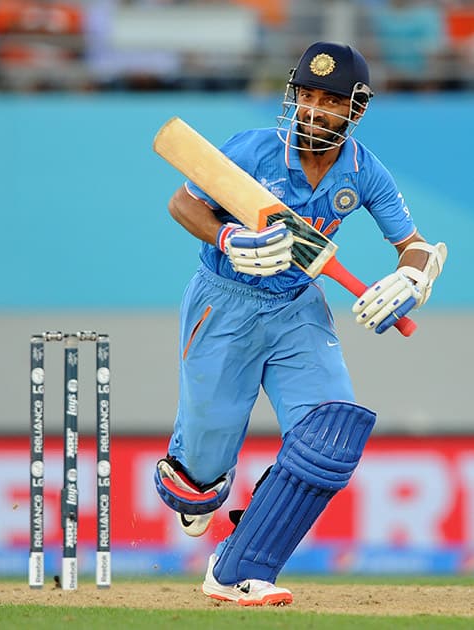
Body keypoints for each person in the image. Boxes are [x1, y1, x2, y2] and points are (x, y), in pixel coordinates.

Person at [154, 41, 447, 606]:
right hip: (224, 301)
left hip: (297, 307)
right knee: (198, 484)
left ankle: (240, 566)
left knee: (329, 438)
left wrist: (409, 280)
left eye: (329, 100)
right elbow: (184, 203)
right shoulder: (254, 149)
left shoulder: (365, 171)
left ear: (354, 110)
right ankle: (196, 484)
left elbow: (413, 246)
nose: (313, 110)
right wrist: (228, 236)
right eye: (306, 96)